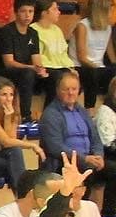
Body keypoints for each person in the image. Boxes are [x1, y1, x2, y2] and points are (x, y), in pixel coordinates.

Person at [38, 70, 113, 208]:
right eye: (66, 89)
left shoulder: (82, 111)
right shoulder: (51, 114)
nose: (71, 93)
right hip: (64, 163)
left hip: (87, 160)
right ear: (57, 90)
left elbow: (95, 137)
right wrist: (85, 159)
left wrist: (98, 155)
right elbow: (55, 147)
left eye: (74, 89)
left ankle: (106, 214)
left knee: (111, 169)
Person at [74, 0, 116, 109]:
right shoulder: (82, 26)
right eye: (110, 10)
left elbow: (111, 55)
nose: (112, 13)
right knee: (92, 74)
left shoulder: (107, 28)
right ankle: (90, 109)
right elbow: (82, 57)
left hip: (99, 67)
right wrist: (98, 68)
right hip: (81, 66)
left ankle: (110, 108)